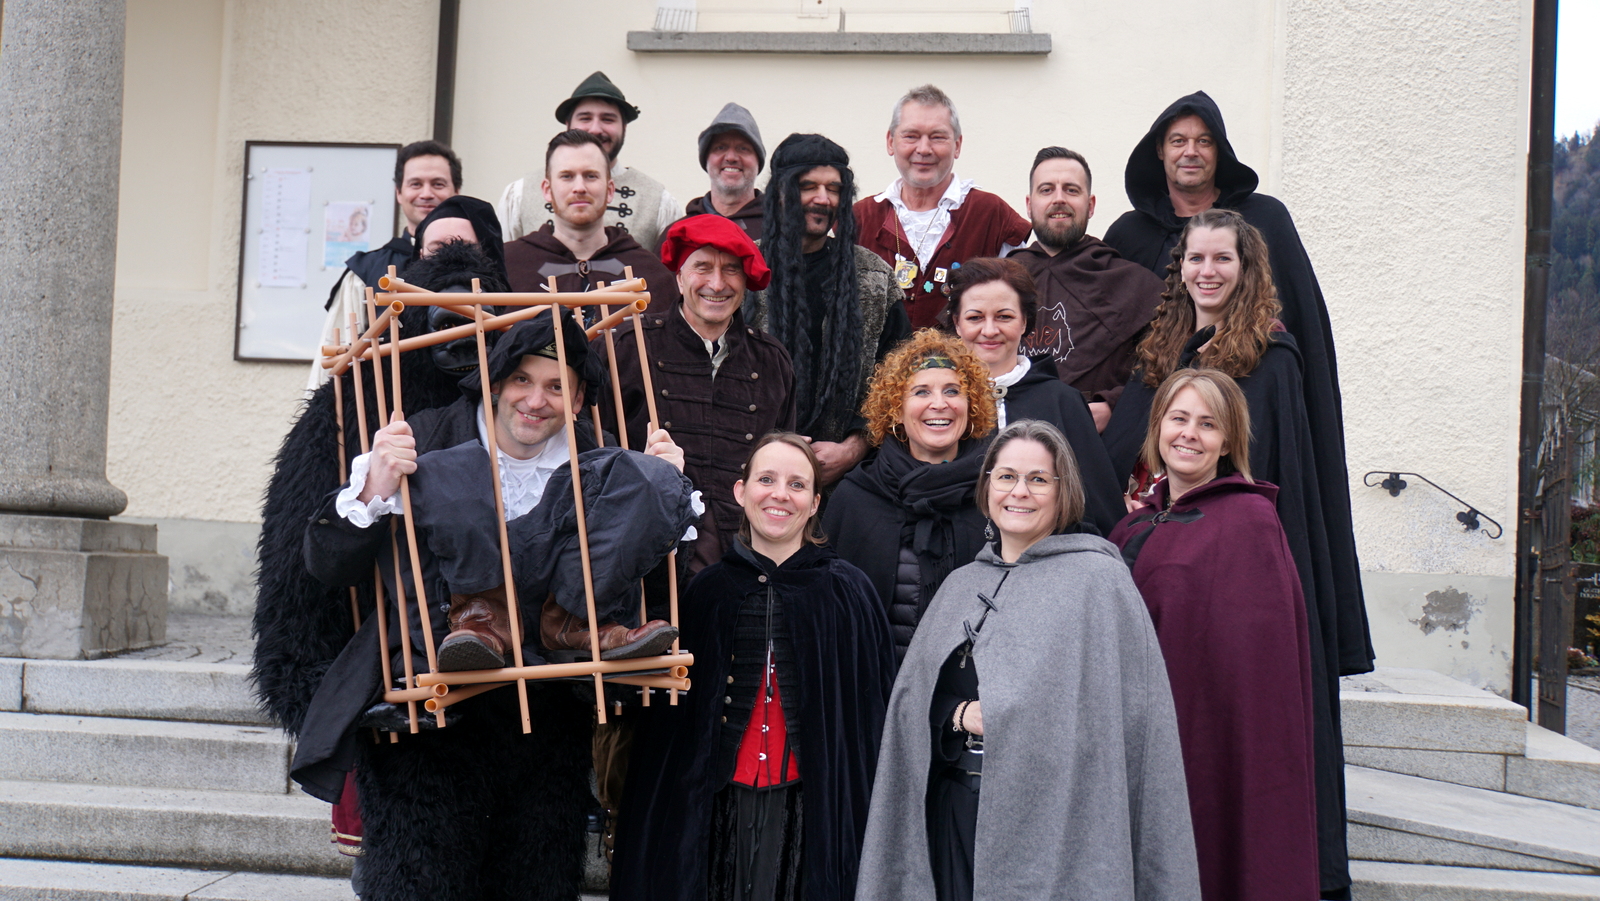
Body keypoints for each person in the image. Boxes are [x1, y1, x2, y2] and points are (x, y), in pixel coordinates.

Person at [290, 313, 694, 901]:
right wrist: (375, 486)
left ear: (578, 400)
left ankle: (573, 622)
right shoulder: (425, 436)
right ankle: (479, 617)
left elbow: (648, 570)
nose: (536, 400)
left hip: (546, 710)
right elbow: (326, 566)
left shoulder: (596, 454)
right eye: (523, 380)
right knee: (423, 879)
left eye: (556, 387)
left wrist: (666, 486)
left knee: (533, 878)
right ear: (496, 382)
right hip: (438, 705)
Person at [1100, 208, 1367, 899]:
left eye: (1223, 259)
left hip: (1231, 570)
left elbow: (1264, 476)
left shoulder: (1270, 358)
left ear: (1247, 270)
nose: (1208, 271)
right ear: (1179, 267)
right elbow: (1134, 446)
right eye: (1196, 258)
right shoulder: (1169, 346)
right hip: (1164, 560)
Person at [855, 420, 1200, 901]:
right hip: (952, 814)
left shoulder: (1098, 583)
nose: (1020, 492)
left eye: (1038, 479)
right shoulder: (960, 586)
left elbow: (1132, 731)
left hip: (1056, 831)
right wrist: (959, 715)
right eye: (1006, 476)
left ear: (1063, 492)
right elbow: (914, 709)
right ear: (987, 487)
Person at [1100, 91, 1368, 681]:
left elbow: (1274, 431)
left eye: (1204, 140)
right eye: (1178, 140)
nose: (1208, 271)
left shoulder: (1268, 242)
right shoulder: (1152, 303)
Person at [613, 433, 897, 901]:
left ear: (815, 502)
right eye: (767, 479)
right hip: (712, 812)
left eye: (797, 484)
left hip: (813, 816)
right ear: (741, 492)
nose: (780, 494)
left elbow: (867, 728)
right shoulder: (705, 593)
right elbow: (668, 729)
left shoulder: (850, 594)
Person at [1109, 368, 1320, 901]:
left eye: (1208, 424)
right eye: (1178, 418)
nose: (1189, 434)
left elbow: (1256, 667)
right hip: (1130, 728)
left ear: (1227, 441)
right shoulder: (1132, 524)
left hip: (1208, 735)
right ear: (1158, 427)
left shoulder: (1249, 522)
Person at [596, 214, 796, 573]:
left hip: (746, 557)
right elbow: (595, 453)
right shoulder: (628, 348)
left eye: (731, 270)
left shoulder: (772, 361)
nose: (716, 284)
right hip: (647, 552)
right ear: (679, 277)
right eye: (702, 267)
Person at [741, 133, 911, 485]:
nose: (823, 198)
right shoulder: (742, 270)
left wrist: (854, 447)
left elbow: (901, 380)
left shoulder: (875, 279)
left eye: (833, 189)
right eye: (808, 187)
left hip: (850, 482)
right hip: (753, 476)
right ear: (780, 192)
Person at [821, 330, 996, 660]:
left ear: (970, 405)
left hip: (971, 688)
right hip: (877, 684)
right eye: (921, 391)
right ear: (896, 410)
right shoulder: (856, 498)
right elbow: (828, 618)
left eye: (952, 390)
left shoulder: (996, 496)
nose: (939, 403)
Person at [943, 257, 1123, 535]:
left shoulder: (1063, 402)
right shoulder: (937, 404)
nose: (989, 330)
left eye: (1004, 317)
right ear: (957, 323)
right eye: (975, 317)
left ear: (1025, 321)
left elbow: (1099, 508)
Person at [1006, 146, 1164, 429]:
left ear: (1090, 205)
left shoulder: (1133, 285)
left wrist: (1114, 405)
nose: (1059, 199)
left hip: (1097, 441)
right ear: (1029, 204)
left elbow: (1166, 368)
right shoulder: (999, 281)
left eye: (1071, 190)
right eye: (1046, 190)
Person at [853, 85, 1030, 330]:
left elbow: (1019, 306)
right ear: (891, 142)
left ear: (957, 145)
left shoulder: (991, 214)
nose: (924, 149)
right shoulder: (860, 218)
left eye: (937, 137)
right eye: (911, 136)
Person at [309, 140, 462, 390]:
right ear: (399, 193)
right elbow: (332, 359)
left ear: (456, 191)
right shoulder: (365, 272)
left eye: (438, 184)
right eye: (415, 184)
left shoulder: (480, 267)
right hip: (384, 406)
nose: (426, 194)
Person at [503, 130, 680, 318]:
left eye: (591, 176)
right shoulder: (509, 266)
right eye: (567, 176)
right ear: (547, 190)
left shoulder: (652, 274)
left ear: (610, 190)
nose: (579, 188)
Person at [497, 71, 678, 252]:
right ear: (568, 124)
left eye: (608, 119)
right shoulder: (519, 194)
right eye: (585, 118)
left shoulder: (658, 199)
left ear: (624, 127)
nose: (595, 129)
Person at [682, 102, 767, 240]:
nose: (731, 157)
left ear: (758, 161)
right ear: (706, 160)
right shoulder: (679, 234)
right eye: (720, 148)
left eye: (743, 148)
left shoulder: (782, 229)